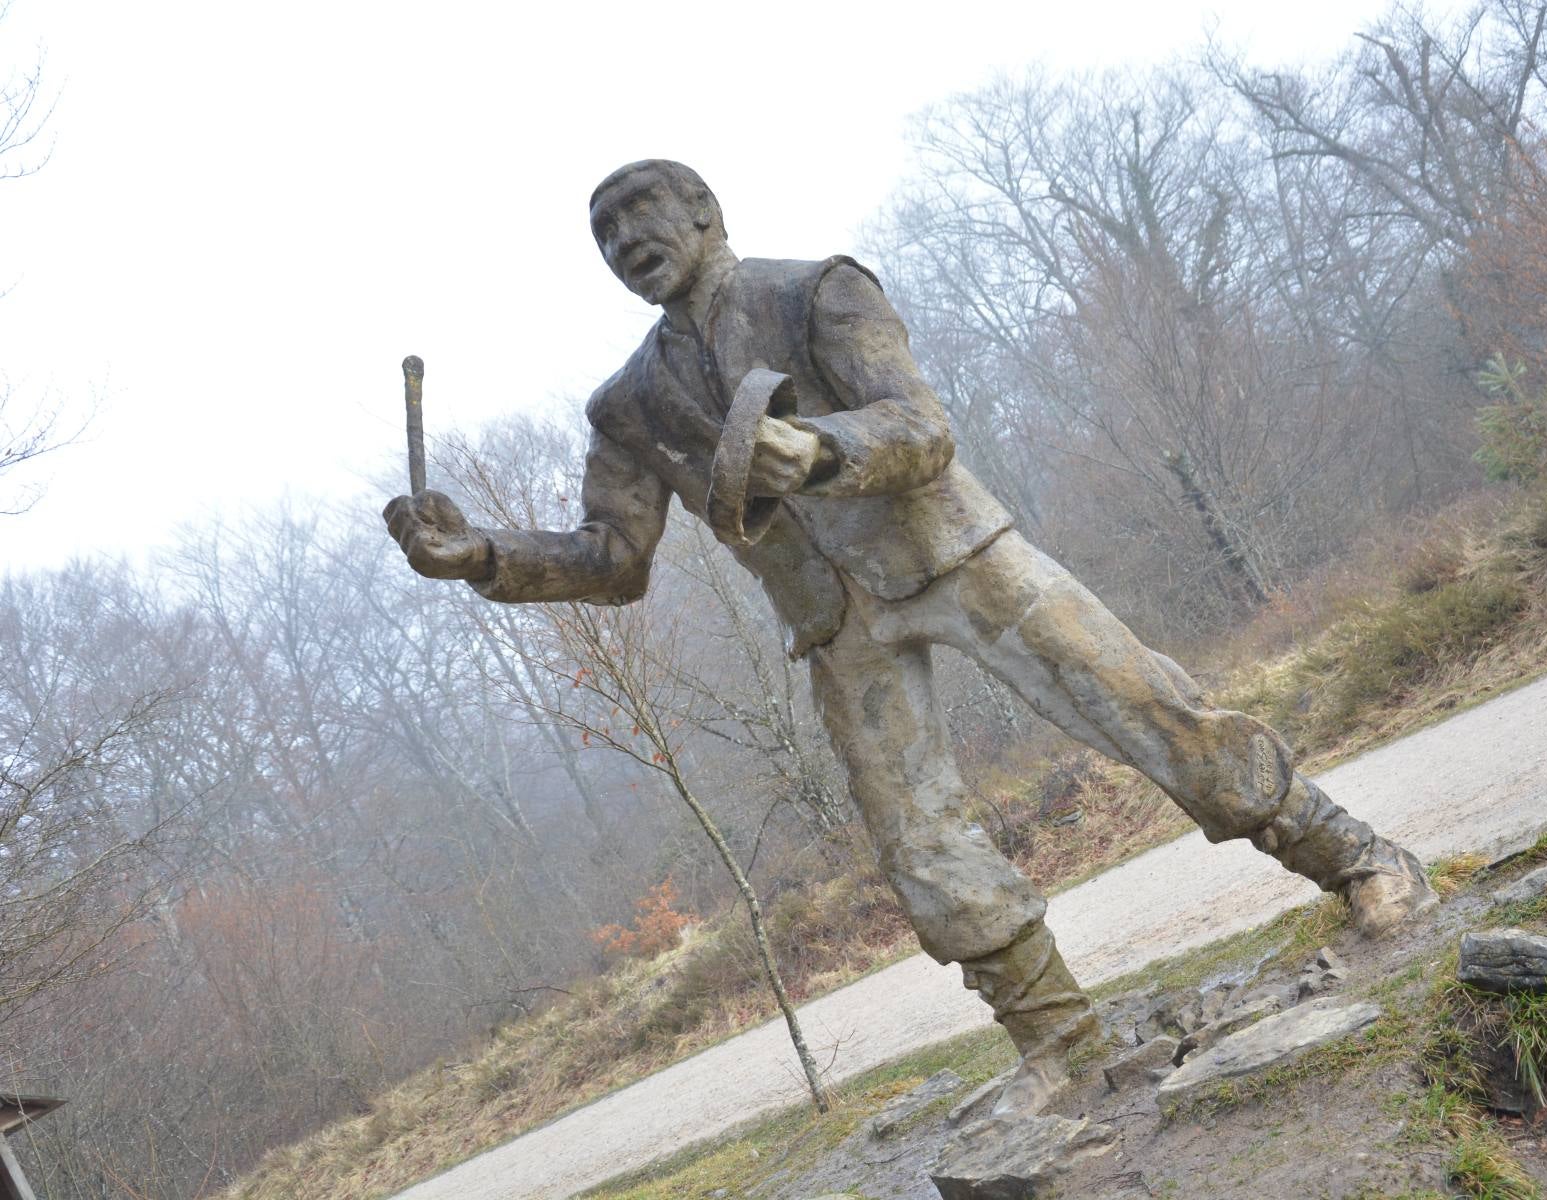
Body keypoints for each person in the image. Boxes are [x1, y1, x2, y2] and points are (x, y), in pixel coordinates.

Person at [383, 159, 1439, 1117]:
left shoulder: (819, 291)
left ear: (704, 212)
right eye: (604, 235)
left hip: (958, 552)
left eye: (639, 214)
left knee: (1149, 706)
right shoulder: (627, 404)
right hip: (835, 621)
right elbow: (614, 559)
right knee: (917, 840)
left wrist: (822, 449)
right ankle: (1061, 1044)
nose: (624, 243)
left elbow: (922, 427)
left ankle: (1358, 861)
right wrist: (479, 555)